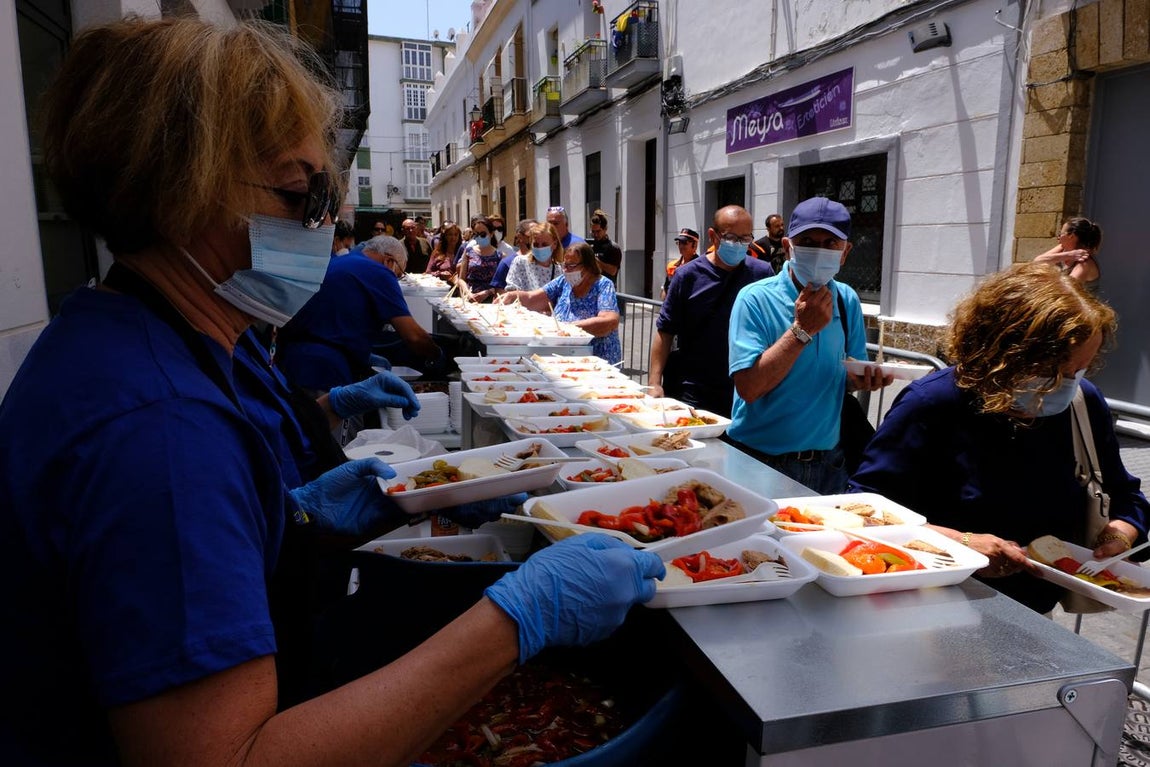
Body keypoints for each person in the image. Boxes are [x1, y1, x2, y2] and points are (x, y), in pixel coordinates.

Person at [0, 17, 665, 765]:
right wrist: (514, 621)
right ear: (184, 191)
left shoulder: (143, 337)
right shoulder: (160, 429)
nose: (327, 224)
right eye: (300, 196)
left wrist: (302, 518)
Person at [849, 262, 1148, 613]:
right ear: (1001, 353)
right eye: (1050, 371)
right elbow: (865, 510)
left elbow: (1125, 495)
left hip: (1033, 615)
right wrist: (959, 544)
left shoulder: (1084, 403)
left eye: (1077, 370)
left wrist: (1119, 534)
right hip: (930, 606)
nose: (1065, 385)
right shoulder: (932, 403)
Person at [726, 197, 891, 494]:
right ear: (789, 246)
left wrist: (868, 377)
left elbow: (847, 375)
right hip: (760, 464)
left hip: (828, 465)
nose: (819, 250)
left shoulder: (847, 299)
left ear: (845, 253)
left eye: (831, 243)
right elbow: (748, 388)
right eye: (808, 241)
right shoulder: (754, 299)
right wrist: (802, 330)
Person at [649, 206, 774, 417]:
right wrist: (654, 383)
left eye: (745, 239)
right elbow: (665, 331)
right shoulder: (686, 276)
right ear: (712, 236)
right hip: (694, 391)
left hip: (745, 392)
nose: (739, 244)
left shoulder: (762, 274)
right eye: (731, 237)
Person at [277, 234, 440, 390]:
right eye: (398, 275)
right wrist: (436, 354)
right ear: (389, 261)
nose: (395, 280)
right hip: (325, 368)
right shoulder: (380, 272)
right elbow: (414, 337)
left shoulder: (342, 261)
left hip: (293, 357)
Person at [497, 242, 622, 364]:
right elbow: (533, 298)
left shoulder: (603, 285)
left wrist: (570, 328)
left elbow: (610, 321)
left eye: (571, 266)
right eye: (564, 265)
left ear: (588, 266)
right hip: (567, 357)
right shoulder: (563, 281)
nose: (566, 270)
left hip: (597, 359)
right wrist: (513, 296)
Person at [1033, 216, 1102, 291]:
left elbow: (1067, 291)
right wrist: (1068, 255)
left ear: (1071, 236)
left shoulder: (1084, 263)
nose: (1058, 237)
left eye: (1060, 233)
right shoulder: (1064, 247)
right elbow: (1037, 262)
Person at [506, 220, 562, 292]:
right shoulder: (520, 262)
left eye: (544, 244)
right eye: (536, 245)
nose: (539, 248)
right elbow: (512, 290)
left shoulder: (559, 270)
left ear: (554, 244)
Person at [457, 215, 501, 302]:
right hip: (470, 298)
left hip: (490, 301)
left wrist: (487, 293)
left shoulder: (499, 256)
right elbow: (461, 279)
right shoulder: (468, 251)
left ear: (491, 234)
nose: (479, 237)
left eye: (483, 234)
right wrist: (468, 293)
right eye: (476, 234)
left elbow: (500, 284)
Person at [661, 227, 699, 300]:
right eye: (679, 243)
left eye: (684, 243)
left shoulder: (701, 267)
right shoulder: (671, 266)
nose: (681, 246)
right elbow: (666, 289)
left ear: (695, 245)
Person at [589, 209, 623, 283]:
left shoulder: (613, 248)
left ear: (605, 229)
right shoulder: (590, 246)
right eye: (593, 231)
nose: (595, 234)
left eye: (598, 231)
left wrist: (596, 261)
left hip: (607, 289)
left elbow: (613, 271)